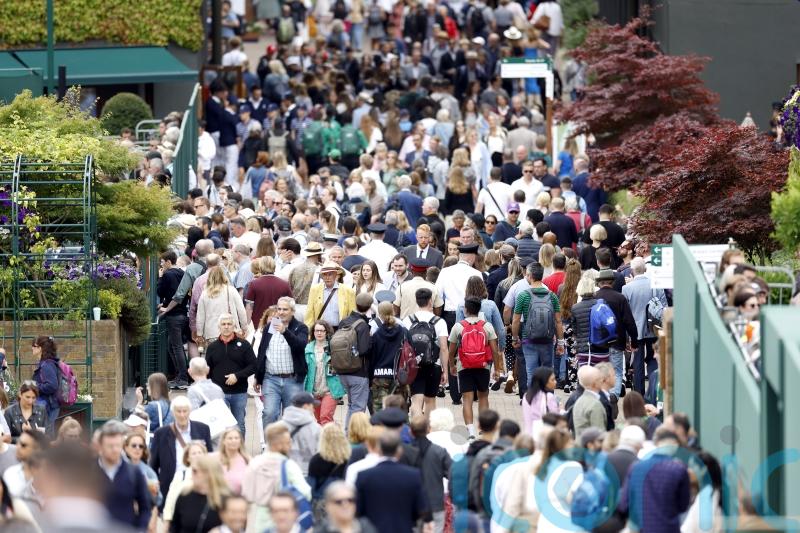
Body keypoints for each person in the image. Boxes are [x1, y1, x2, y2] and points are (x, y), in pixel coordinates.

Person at [356, 431, 432, 533]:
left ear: (378, 450)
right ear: (399, 451)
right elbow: (421, 509)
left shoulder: (364, 476)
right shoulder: (413, 476)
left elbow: (357, 510)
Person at [448, 297, 503, 438]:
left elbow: (451, 349)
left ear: (465, 309)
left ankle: (470, 432)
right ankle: (484, 428)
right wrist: (497, 369)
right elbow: (494, 349)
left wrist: (452, 365)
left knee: (467, 399)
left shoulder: (458, 326)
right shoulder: (487, 326)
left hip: (464, 366)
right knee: (483, 396)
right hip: (483, 366)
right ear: (479, 310)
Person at [618, 428, 691, 533]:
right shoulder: (679, 469)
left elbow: (624, 504)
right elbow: (683, 506)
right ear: (675, 446)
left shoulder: (635, 468)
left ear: (656, 444)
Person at [241, 422, 311, 532]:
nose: (290, 445)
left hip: (259, 520)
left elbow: (246, 494)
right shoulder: (289, 466)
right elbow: (306, 492)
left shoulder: (254, 463)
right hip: (283, 521)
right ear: (278, 444)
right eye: (288, 442)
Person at [256, 297, 310, 425]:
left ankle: (289, 444)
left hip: (292, 380)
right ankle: (271, 445)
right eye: (279, 309)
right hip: (271, 379)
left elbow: (299, 346)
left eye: (285, 309)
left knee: (291, 417)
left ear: (292, 311)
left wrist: (285, 332)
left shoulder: (300, 327)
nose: (281, 312)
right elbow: (262, 351)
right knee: (269, 413)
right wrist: (258, 377)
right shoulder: (271, 325)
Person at [150, 395, 213, 503]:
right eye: (178, 411)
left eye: (185, 411)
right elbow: (153, 464)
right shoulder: (161, 434)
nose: (182, 415)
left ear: (190, 411)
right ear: (173, 413)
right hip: (170, 485)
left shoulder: (203, 429)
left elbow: (209, 458)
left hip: (196, 483)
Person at [511, 262, 564, 386]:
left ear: (529, 275)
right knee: (547, 373)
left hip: (528, 339)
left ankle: (532, 402)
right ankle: (546, 401)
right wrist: (561, 342)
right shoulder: (552, 296)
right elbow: (558, 321)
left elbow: (516, 320)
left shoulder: (523, 296)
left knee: (531, 372)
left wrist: (515, 338)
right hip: (547, 339)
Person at [205, 313, 257, 438]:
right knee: (219, 425)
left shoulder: (244, 345)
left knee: (238, 424)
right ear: (219, 327)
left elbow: (254, 366)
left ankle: (240, 454)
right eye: (223, 324)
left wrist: (237, 376)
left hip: (239, 392)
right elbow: (207, 370)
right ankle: (222, 454)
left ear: (234, 326)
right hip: (218, 393)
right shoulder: (212, 347)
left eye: (229, 324)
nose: (226, 327)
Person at [622, 257, 668, 396]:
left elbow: (625, 314)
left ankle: (639, 395)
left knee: (638, 361)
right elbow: (664, 308)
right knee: (654, 358)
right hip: (654, 327)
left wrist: (626, 336)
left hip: (635, 330)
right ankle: (654, 392)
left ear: (631, 270)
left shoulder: (627, 288)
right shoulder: (656, 285)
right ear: (645, 269)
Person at [95, 420, 152, 529]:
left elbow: (145, 507)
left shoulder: (133, 472)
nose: (115, 450)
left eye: (117, 445)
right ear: (101, 446)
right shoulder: (90, 472)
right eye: (110, 446)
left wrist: (140, 529)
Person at [402, 288, 449, 417]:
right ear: (430, 301)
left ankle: (417, 430)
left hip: (413, 366)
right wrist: (445, 370)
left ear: (417, 301)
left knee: (416, 401)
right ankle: (428, 430)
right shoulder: (439, 322)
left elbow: (403, 345)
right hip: (434, 366)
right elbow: (444, 348)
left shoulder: (408, 320)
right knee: (430, 401)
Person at [596, 269, 639, 397]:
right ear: (612, 282)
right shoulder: (620, 298)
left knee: (600, 372)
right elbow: (629, 322)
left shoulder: (594, 297)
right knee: (617, 371)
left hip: (598, 342)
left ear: (599, 283)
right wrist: (634, 341)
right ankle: (613, 396)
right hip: (617, 341)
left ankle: (603, 397)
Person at [335, 293, 374, 428]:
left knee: (351, 406)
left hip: (342, 370)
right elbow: (364, 350)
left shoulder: (344, 321)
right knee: (358, 408)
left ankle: (348, 434)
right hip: (359, 372)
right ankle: (353, 439)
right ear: (369, 307)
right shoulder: (362, 325)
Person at [409, 415, 452, 533]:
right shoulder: (438, 451)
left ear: (411, 431)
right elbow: (452, 473)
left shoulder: (404, 452)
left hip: (412, 505)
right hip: (435, 504)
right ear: (428, 428)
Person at [171, 455, 229, 533]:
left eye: (195, 471)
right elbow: (174, 526)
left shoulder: (225, 499)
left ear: (209, 473)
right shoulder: (185, 495)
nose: (192, 474)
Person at [158, 250, 190, 388]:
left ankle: (183, 378)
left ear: (168, 262)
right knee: (173, 346)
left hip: (173, 316)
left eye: (162, 262)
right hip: (183, 313)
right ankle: (180, 375)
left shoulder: (167, 274)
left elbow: (160, 291)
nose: (161, 265)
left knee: (176, 347)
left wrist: (160, 277)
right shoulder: (182, 274)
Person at [369, 301, 408, 412]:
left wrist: (370, 376)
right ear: (393, 311)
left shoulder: (376, 334)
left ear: (379, 314)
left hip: (379, 376)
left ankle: (381, 430)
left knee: (379, 410)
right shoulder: (402, 331)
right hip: (399, 376)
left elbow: (372, 357)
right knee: (399, 410)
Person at [304, 320, 345, 425]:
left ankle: (328, 440)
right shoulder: (307, 349)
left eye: (322, 331)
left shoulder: (333, 348)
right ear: (313, 332)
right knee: (319, 421)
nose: (319, 333)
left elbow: (342, 366)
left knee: (325, 418)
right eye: (317, 330)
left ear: (327, 332)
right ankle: (332, 437)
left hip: (330, 389)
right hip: (314, 391)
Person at [307, 424, 351, 519]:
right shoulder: (347, 459)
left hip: (321, 504)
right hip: (342, 502)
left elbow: (311, 488)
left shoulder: (316, 460)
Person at [196, 266, 248, 343]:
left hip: (211, 333)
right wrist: (244, 328)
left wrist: (199, 333)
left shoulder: (205, 293)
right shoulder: (231, 290)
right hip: (230, 331)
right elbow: (241, 310)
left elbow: (200, 316)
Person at [305, 261, 357, 330]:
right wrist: (310, 331)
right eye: (324, 274)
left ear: (336, 275)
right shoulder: (315, 290)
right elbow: (309, 313)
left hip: (340, 330)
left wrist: (349, 330)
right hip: (321, 330)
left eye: (330, 274)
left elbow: (352, 314)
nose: (327, 277)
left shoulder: (348, 291)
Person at [281, 392, 322, 475]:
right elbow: (320, 453)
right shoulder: (316, 428)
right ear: (305, 406)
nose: (314, 409)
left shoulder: (279, 426)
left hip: (285, 472)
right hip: (308, 472)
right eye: (312, 406)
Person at [124, 431, 162, 515]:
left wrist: (153, 492)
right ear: (126, 448)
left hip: (143, 515)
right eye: (134, 445)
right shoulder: (119, 467)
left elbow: (158, 500)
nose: (137, 448)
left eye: (141, 446)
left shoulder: (149, 472)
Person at [30, 336, 60, 432]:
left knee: (46, 435)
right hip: (46, 405)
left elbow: (52, 385)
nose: (32, 348)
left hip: (48, 405)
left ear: (40, 348)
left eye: (34, 346)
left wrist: (34, 387)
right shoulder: (45, 363)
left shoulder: (47, 365)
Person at [571, 366, 608, 440]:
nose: (602, 381)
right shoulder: (595, 405)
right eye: (599, 379)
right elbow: (599, 434)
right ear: (594, 383)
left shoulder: (579, 400)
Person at [522, 367, 559, 437]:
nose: (555, 382)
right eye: (552, 380)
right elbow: (556, 417)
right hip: (544, 435)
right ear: (544, 381)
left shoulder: (526, 396)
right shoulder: (549, 397)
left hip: (529, 434)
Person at [211, 428, 249, 495]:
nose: (233, 441)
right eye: (230, 438)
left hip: (240, 499)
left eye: (236, 438)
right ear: (224, 441)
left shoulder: (247, 459)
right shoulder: (214, 458)